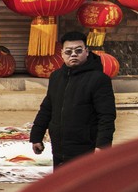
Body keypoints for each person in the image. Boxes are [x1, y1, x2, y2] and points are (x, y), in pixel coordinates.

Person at [30, 30, 117, 168]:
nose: (74, 54)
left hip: (86, 150)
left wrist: (102, 146)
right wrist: (36, 136)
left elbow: (106, 116)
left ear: (86, 52)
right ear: (62, 54)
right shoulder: (56, 77)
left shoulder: (99, 79)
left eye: (78, 50)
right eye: (69, 51)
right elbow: (47, 108)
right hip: (59, 149)